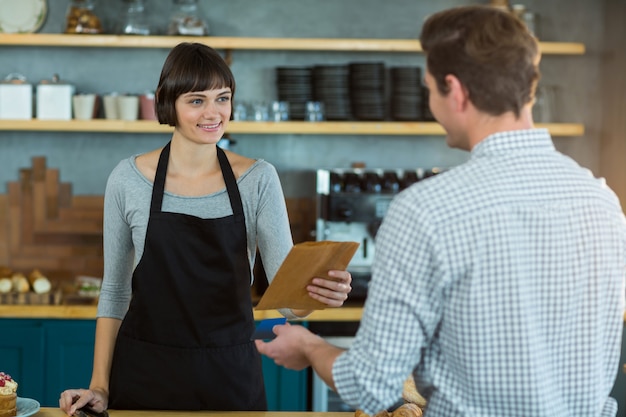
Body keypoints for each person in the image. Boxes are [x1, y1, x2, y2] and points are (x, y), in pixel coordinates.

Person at [256, 5, 626, 417]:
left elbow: (370, 385)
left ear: (456, 90)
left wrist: (309, 346)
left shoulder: (426, 209)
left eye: (429, 88)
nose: (430, 102)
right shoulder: (602, 201)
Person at [59, 42, 352, 415]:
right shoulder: (127, 179)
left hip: (230, 379)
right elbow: (115, 292)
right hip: (143, 379)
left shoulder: (258, 179)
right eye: (196, 100)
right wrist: (99, 385)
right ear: (168, 103)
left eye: (222, 98)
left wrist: (318, 293)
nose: (213, 113)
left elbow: (289, 303)